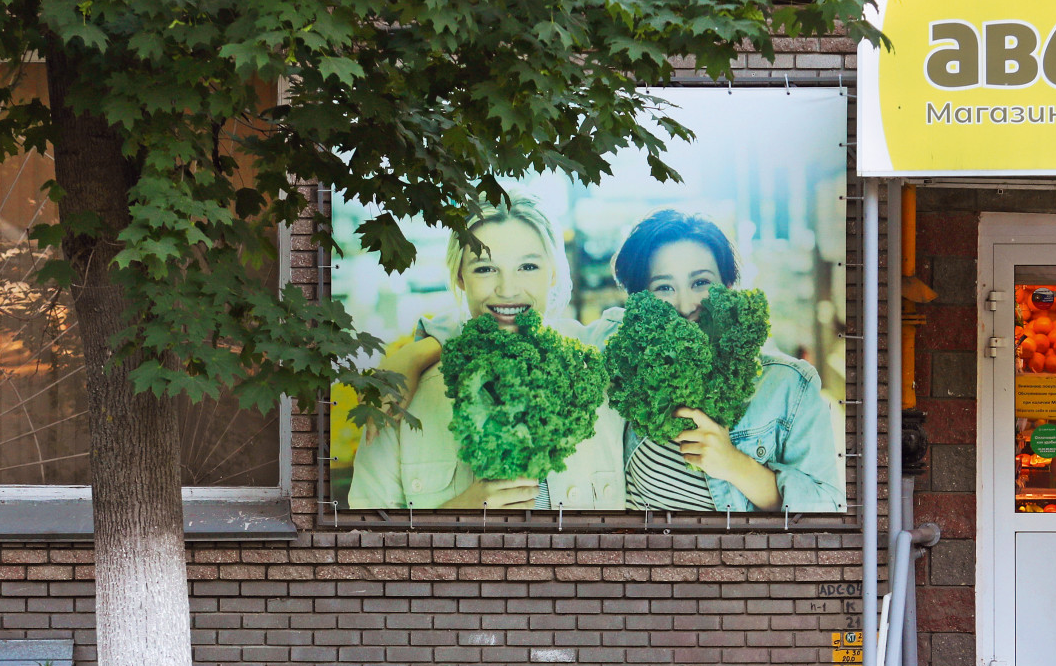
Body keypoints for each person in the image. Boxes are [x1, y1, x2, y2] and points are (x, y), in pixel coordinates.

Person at [345, 199, 624, 510]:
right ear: (460, 277)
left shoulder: (604, 389)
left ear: (554, 273)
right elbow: (367, 533)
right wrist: (455, 516)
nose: (508, 289)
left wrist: (423, 349)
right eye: (485, 268)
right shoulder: (401, 398)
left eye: (528, 267)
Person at [588, 209, 843, 512]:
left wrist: (735, 464)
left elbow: (828, 509)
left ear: (729, 286)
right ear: (640, 299)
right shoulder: (628, 372)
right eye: (664, 287)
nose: (685, 305)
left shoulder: (788, 386)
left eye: (700, 282)